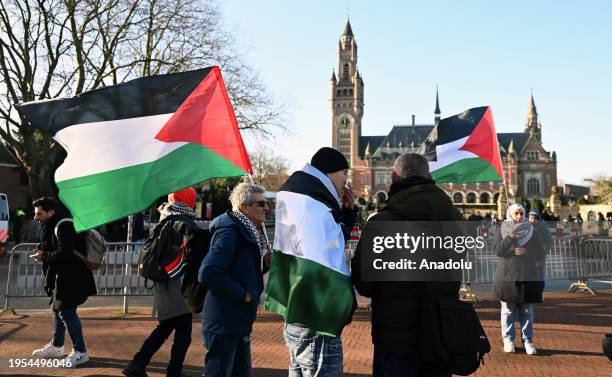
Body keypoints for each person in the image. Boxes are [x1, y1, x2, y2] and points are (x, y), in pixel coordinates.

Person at [351, 153, 463, 377]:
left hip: (396, 335)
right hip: (441, 329)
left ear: (393, 178)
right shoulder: (455, 219)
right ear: (429, 176)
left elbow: (364, 284)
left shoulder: (381, 224)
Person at [123, 187, 199, 377]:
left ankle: (138, 365)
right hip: (177, 283)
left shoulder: (165, 219)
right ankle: (170, 370)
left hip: (162, 282)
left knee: (166, 327)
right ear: (189, 200)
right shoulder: (184, 222)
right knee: (181, 333)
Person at [199, 182, 271, 377]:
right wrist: (244, 295)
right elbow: (209, 272)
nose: (267, 208)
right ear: (244, 208)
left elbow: (241, 270)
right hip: (224, 323)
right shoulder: (230, 232)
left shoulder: (246, 232)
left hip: (237, 321)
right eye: (261, 204)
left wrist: (264, 264)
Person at [30, 197, 97, 367]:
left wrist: (43, 256)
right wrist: (43, 248)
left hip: (71, 278)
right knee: (57, 309)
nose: (36, 217)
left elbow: (64, 253)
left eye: (39, 213)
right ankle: (57, 346)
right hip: (63, 277)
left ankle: (80, 352)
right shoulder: (54, 224)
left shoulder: (64, 225)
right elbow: (56, 246)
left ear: (51, 212)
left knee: (66, 312)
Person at [493, 203, 544, 356]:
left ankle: (527, 340)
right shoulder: (502, 230)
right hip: (508, 275)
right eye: (516, 213)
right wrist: (511, 238)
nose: (519, 217)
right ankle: (508, 339)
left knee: (527, 310)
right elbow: (498, 250)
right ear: (510, 214)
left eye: (521, 213)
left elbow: (540, 252)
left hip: (528, 275)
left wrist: (527, 252)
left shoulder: (531, 231)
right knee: (508, 310)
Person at [528, 211, 552, 295]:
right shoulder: (526, 227)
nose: (532, 220)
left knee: (539, 272)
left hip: (539, 254)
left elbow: (549, 240)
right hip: (528, 255)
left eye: (534, 219)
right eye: (531, 218)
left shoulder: (543, 227)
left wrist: (544, 249)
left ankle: (539, 291)